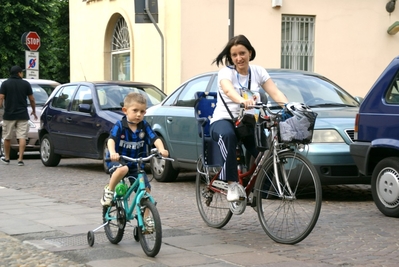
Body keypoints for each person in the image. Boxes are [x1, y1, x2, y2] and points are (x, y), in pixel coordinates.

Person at [210, 35, 288, 202]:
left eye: (242, 53)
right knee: (229, 136)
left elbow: (275, 92)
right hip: (223, 121)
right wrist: (242, 101)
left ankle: (258, 192)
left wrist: (289, 107)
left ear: (250, 52)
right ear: (231, 58)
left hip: (247, 123)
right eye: (234, 55)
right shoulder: (226, 72)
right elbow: (229, 90)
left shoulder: (258, 71)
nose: (239, 58)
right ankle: (231, 184)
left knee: (267, 151)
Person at [101, 92, 168, 208]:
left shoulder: (144, 126)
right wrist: (112, 152)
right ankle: (109, 191)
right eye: (135, 110)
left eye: (142, 112)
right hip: (118, 159)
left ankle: (147, 220)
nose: (138, 115)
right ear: (125, 110)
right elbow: (111, 140)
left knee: (146, 192)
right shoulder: (120, 125)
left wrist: (161, 149)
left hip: (136, 163)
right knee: (123, 169)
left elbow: (155, 138)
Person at [0, 65, 37, 166]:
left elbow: (1, 98)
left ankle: (7, 158)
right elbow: (32, 99)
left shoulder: (5, 84)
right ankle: (20, 159)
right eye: (22, 72)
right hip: (22, 115)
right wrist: (33, 110)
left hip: (9, 115)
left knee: (7, 137)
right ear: (19, 73)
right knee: (22, 137)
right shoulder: (25, 84)